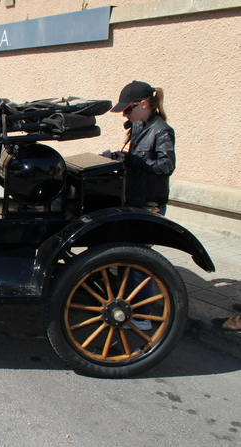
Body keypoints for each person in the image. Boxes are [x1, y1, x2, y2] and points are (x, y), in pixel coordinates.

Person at [106, 80, 176, 331]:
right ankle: (129, 305)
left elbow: (165, 166)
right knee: (127, 258)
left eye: (128, 109)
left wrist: (133, 161)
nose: (125, 114)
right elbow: (133, 156)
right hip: (134, 199)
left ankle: (142, 316)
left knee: (138, 261)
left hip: (149, 204)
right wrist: (117, 156)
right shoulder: (139, 127)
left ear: (144, 104)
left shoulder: (161, 130)